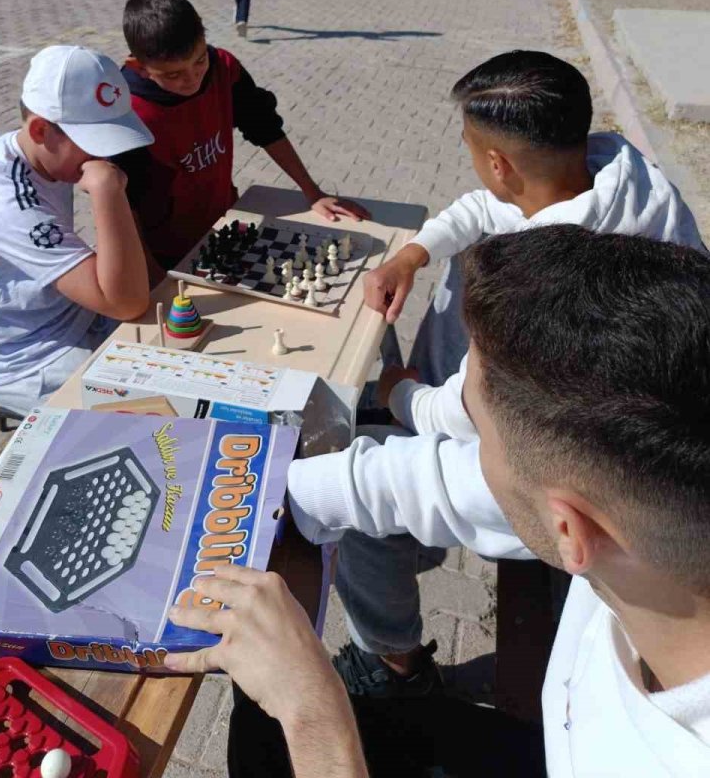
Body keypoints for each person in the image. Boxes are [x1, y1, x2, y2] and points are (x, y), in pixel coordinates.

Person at [168, 227, 710, 778]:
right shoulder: (646, 511)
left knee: (271, 726)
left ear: (569, 530)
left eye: (473, 430)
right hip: (564, 730)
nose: (460, 447)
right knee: (258, 715)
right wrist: (263, 489)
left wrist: (313, 712)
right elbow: (438, 478)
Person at [366, 48, 705, 440]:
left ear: (497, 164)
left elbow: (469, 412)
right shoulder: (624, 179)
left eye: (468, 145)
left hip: (542, 447)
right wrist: (410, 257)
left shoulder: (540, 287)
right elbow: (480, 208)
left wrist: (399, 395)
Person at [0, 45, 154, 415]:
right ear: (40, 129)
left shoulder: (40, 155)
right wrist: (107, 192)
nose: (105, 159)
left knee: (181, 356)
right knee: (155, 411)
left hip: (65, 315)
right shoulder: (5, 203)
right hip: (22, 358)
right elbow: (127, 302)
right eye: (94, 146)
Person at [117, 0, 370, 272]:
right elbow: (122, 203)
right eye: (174, 74)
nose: (192, 79)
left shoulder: (224, 68)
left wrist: (312, 191)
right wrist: (149, 273)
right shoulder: (126, 112)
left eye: (200, 60)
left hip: (224, 223)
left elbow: (265, 127)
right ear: (139, 67)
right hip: (163, 252)